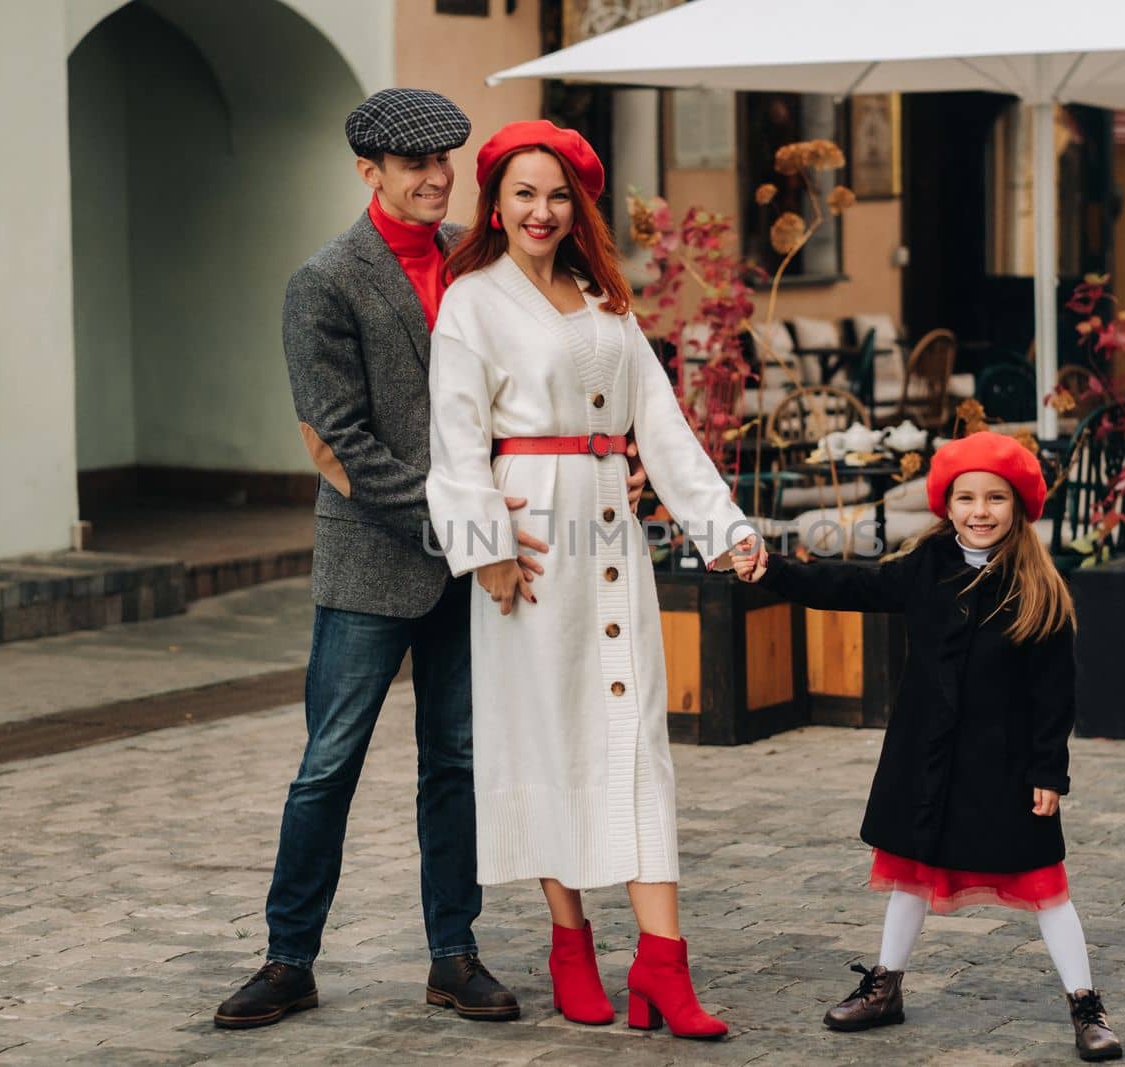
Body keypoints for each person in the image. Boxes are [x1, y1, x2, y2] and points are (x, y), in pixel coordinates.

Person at [215, 90, 627, 1030]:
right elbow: (340, 444)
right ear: (370, 173)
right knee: (329, 763)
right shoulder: (324, 281)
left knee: (459, 760)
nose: (439, 178)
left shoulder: (479, 267)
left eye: (448, 161)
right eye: (417, 167)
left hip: (480, 575)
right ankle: (288, 958)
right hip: (378, 562)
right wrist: (466, 533)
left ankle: (454, 954)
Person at [425, 120, 755, 1041]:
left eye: (558, 194)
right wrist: (482, 542)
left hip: (613, 534)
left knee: (634, 738)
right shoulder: (472, 302)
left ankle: (662, 963)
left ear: (579, 207)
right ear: (495, 203)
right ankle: (569, 942)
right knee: (550, 738)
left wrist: (722, 524)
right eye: (524, 193)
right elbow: (453, 438)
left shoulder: (604, 300)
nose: (542, 211)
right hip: (528, 537)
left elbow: (663, 422)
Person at [734, 432, 1124, 1062]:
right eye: (966, 497)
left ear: (1019, 506)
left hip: (1003, 767)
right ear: (946, 504)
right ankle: (885, 987)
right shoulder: (924, 568)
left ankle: (1086, 1004)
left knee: (1046, 885)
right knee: (911, 872)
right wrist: (772, 571)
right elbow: (851, 587)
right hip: (926, 758)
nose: (980, 510)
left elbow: (1057, 696)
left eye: (996, 498)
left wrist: (1050, 769)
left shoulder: (1040, 590)